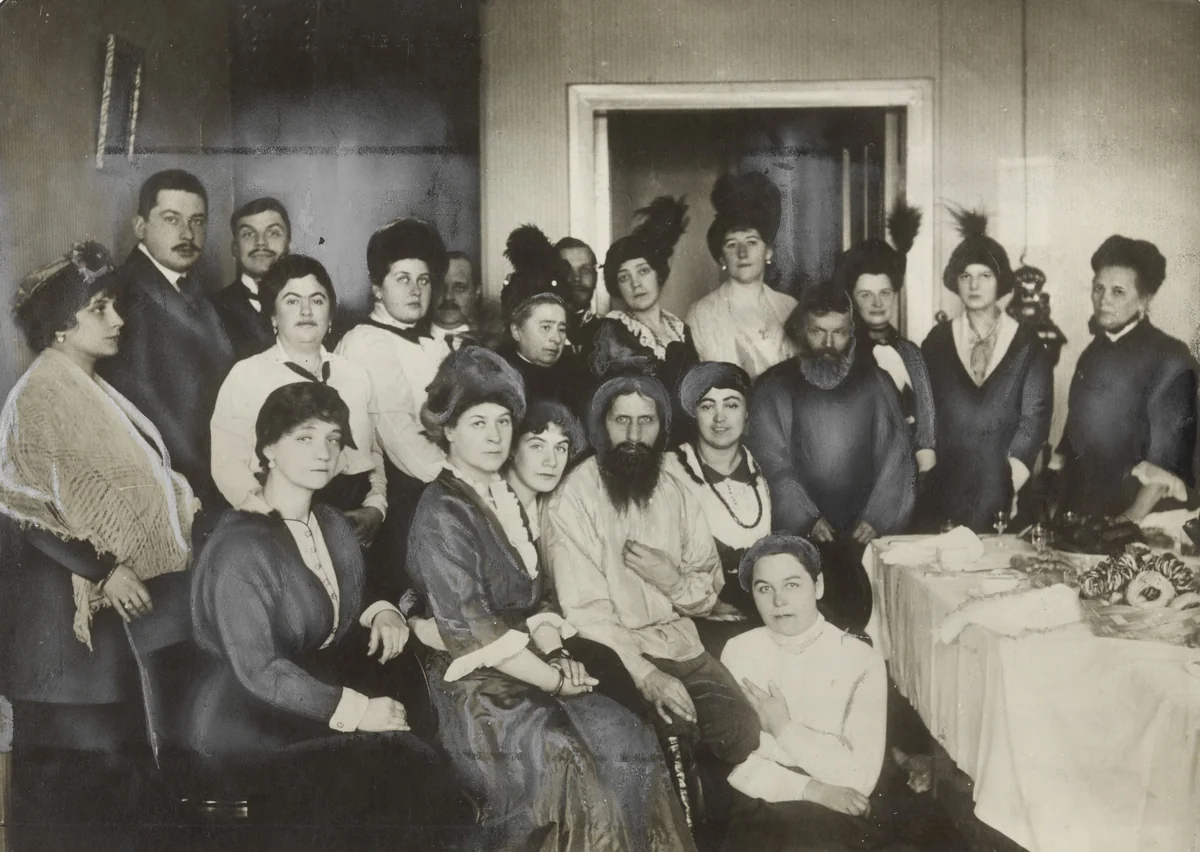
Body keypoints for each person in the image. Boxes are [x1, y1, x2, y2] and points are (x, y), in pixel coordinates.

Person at [406, 347, 695, 851]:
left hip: (531, 664)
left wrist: (557, 651)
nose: (495, 436)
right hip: (474, 688)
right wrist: (557, 680)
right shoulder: (441, 511)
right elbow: (475, 631)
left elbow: (537, 597)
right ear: (448, 430)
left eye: (502, 422)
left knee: (629, 738)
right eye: (478, 423)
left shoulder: (502, 496)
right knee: (570, 766)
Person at [188, 382, 460, 825]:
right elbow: (259, 670)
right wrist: (358, 711)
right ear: (268, 450)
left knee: (423, 741)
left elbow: (343, 590)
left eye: (333, 439)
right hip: (250, 723)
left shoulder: (331, 523)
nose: (323, 452)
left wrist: (383, 611)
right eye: (304, 437)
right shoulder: (237, 549)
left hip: (310, 699)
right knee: (404, 764)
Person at [0, 242, 196, 819]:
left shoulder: (92, 388)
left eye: (116, 306)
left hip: (104, 628)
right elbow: (23, 508)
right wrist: (104, 568)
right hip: (62, 634)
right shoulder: (39, 394)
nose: (119, 320)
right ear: (62, 325)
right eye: (101, 309)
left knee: (113, 792)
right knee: (73, 796)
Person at [542, 372, 760, 769]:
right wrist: (646, 676)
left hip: (680, 646)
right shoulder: (573, 497)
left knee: (741, 729)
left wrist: (673, 581)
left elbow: (708, 582)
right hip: (614, 657)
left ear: (662, 428)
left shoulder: (674, 489)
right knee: (674, 737)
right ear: (601, 427)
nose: (633, 434)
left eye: (646, 421)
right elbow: (586, 612)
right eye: (621, 420)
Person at [719, 535, 966, 852]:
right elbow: (733, 763)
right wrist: (812, 788)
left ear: (818, 586)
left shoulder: (860, 659)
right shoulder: (739, 651)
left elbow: (859, 776)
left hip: (840, 805)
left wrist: (783, 728)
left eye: (792, 584)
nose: (778, 600)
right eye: (764, 588)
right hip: (762, 798)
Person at [748, 285, 916, 634]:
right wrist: (806, 517)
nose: (828, 344)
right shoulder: (773, 386)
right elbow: (771, 461)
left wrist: (878, 515)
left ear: (851, 334)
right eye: (817, 332)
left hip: (865, 534)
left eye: (838, 333)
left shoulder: (876, 383)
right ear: (801, 332)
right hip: (800, 536)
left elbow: (896, 454)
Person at [209, 254, 387, 549]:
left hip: (351, 526)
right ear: (273, 316)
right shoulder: (247, 375)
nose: (306, 310)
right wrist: (272, 521)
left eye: (317, 300)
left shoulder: (355, 375)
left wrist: (376, 507)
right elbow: (227, 466)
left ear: (330, 314)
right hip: (278, 529)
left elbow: (373, 452)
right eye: (292, 301)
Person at [96, 169, 235, 515]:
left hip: (215, 476)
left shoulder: (190, 285)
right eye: (172, 219)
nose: (188, 234)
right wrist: (213, 476)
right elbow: (143, 405)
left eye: (198, 221)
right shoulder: (123, 294)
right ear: (141, 227)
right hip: (172, 487)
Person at [916, 209, 1052, 532]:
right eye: (966, 276)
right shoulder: (936, 342)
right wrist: (929, 472)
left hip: (1006, 488)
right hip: (946, 488)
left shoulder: (1027, 343)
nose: (974, 285)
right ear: (956, 283)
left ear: (1000, 282)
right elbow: (923, 410)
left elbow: (1035, 418)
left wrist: (1009, 482)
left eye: (985, 276)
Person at [336, 217, 452, 590]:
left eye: (424, 280)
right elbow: (398, 435)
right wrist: (464, 483)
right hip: (401, 494)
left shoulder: (434, 341)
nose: (416, 290)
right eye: (402, 278)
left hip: (435, 480)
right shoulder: (368, 342)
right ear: (377, 289)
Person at [1053, 235, 1198, 521]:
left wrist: (1128, 521)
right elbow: (1073, 439)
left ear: (1144, 299)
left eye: (1118, 291)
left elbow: (1167, 460)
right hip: (1089, 509)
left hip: (1146, 514)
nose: (1103, 300)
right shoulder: (1091, 354)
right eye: (1098, 289)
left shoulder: (1171, 357)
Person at [664, 362, 771, 658]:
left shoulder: (763, 467)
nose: (720, 418)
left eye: (731, 404)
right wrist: (706, 603)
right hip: (695, 615)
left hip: (761, 604)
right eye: (707, 406)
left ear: (747, 412)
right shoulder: (669, 470)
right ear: (692, 413)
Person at [836, 201, 937, 476]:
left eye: (885, 293)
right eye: (866, 294)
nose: (877, 303)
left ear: (895, 294)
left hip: (914, 474)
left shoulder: (911, 353)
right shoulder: (844, 353)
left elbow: (926, 421)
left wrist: (925, 468)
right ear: (852, 299)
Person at [588, 197, 699, 433]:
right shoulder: (611, 331)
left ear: (658, 274)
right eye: (624, 277)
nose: (636, 284)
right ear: (617, 287)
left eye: (643, 271)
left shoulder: (679, 328)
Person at [686, 172, 798, 380]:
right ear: (721, 258)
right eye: (732, 244)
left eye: (752, 242)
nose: (742, 253)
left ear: (768, 252)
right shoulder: (701, 314)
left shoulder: (790, 307)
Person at [497, 225, 587, 415]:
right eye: (546, 327)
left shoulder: (578, 377)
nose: (556, 338)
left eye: (561, 329)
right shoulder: (494, 377)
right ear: (516, 331)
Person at [214, 196, 289, 360]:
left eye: (273, 233)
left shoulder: (307, 304)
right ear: (235, 248)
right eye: (248, 234)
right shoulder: (212, 309)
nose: (261, 243)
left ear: (288, 244)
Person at [555, 235, 600, 351]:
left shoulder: (610, 333)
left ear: (596, 276)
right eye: (567, 270)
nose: (576, 278)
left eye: (585, 270)